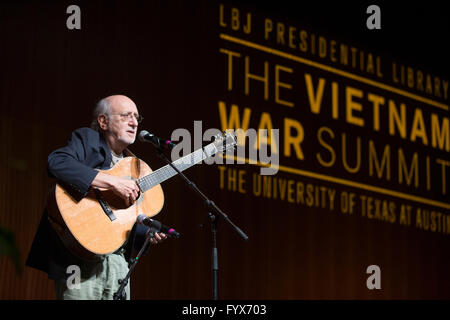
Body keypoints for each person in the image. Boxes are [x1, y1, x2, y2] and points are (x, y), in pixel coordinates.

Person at [26, 95, 167, 300]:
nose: (134, 122)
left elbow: (123, 220)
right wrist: (112, 182)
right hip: (77, 261)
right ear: (103, 121)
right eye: (126, 115)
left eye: (137, 117)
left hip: (118, 264)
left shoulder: (134, 164)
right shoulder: (88, 140)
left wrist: (144, 234)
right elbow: (57, 162)